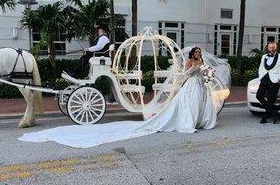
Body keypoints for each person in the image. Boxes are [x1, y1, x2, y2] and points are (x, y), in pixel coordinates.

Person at [20, 46, 217, 148]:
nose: (198, 54)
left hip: (197, 85)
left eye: (199, 52)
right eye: (197, 52)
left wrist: (203, 70)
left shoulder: (199, 62)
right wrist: (197, 69)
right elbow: (188, 72)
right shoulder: (191, 62)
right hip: (192, 82)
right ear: (193, 54)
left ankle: (197, 121)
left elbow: (191, 72)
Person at [256, 41, 280, 124]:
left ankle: (265, 118)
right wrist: (260, 76)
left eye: (273, 47)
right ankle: (274, 112)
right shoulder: (264, 56)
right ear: (267, 48)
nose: (272, 49)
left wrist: (279, 79)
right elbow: (261, 68)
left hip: (274, 80)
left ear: (276, 48)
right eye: (270, 47)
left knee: (271, 100)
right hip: (264, 79)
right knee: (259, 96)